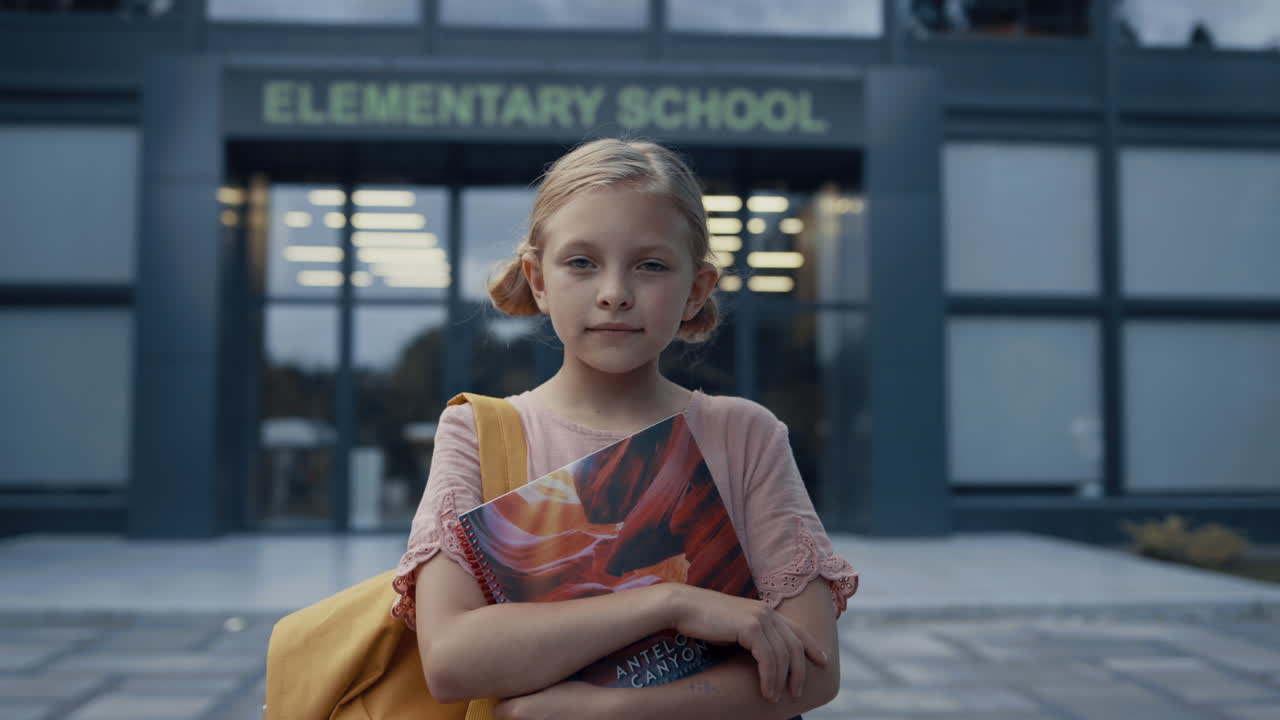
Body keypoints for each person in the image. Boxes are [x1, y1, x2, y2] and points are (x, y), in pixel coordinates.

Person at [390, 137, 859, 719]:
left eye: (651, 265)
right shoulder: (479, 432)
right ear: (538, 279)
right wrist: (668, 603)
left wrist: (604, 712)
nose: (614, 294)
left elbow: (813, 672)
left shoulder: (745, 436)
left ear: (697, 290)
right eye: (581, 262)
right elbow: (452, 660)